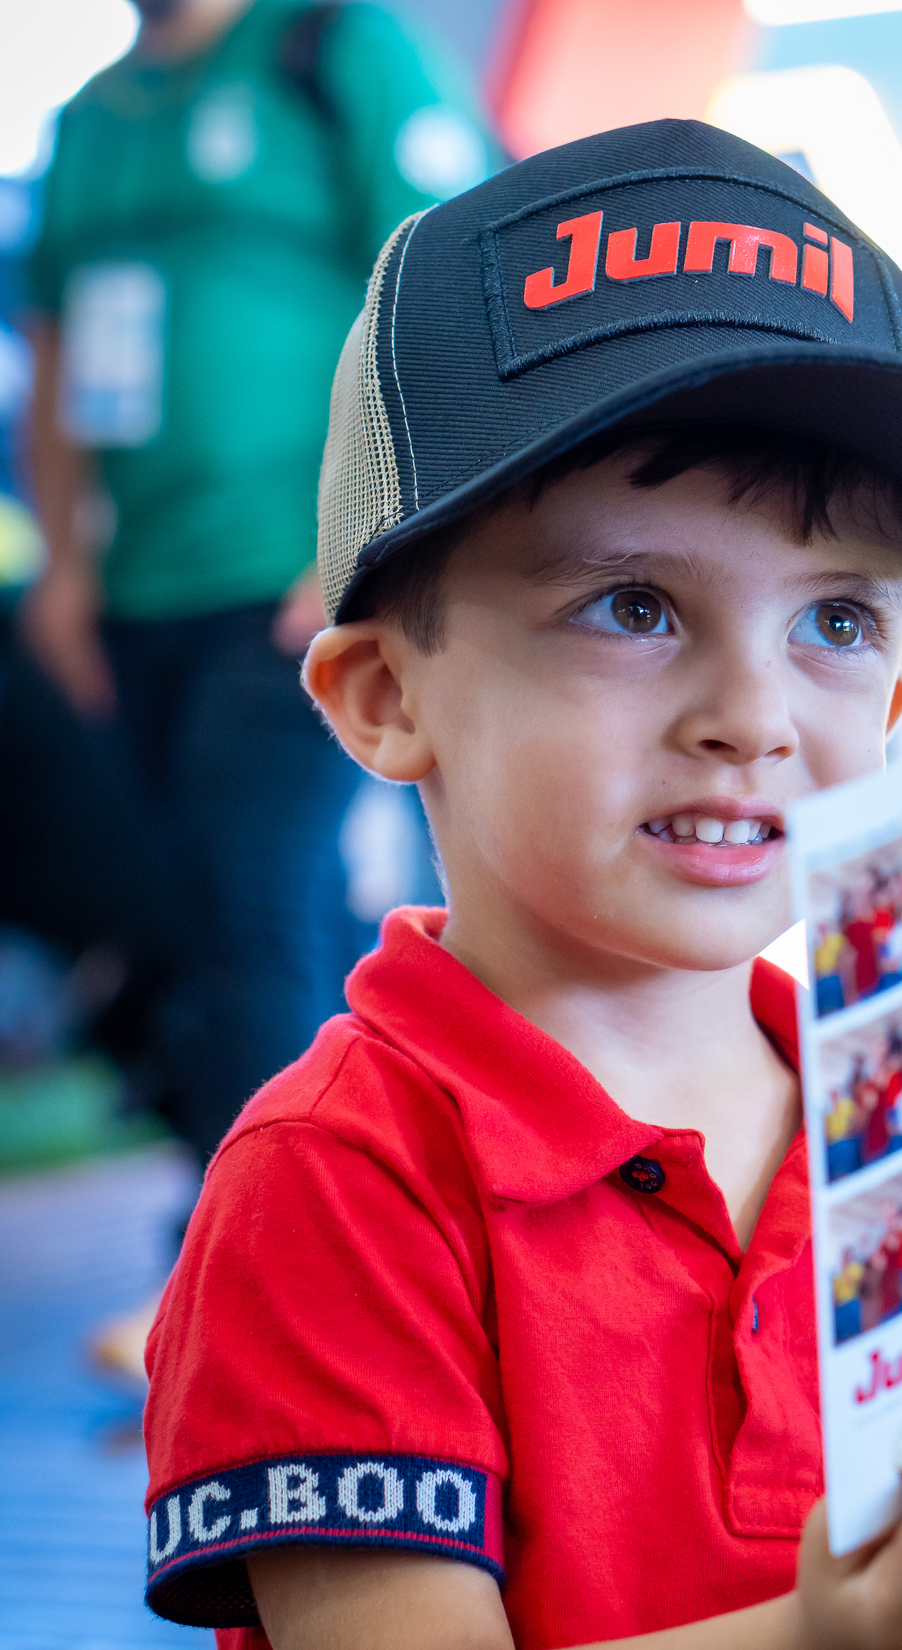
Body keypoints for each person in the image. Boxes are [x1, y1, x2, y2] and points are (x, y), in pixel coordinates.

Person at [141, 121, 902, 1650]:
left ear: (897, 710)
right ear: (387, 696)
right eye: (633, 606)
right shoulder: (343, 1179)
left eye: (837, 619)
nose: (754, 714)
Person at [17, 0, 488, 1181]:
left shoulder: (331, 44)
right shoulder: (87, 119)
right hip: (133, 595)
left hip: (292, 582)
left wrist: (363, 531)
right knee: (177, 918)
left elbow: (437, 279)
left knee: (249, 901)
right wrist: (67, 569)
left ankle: (264, 1243)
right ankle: (320, 1205)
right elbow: (60, 351)